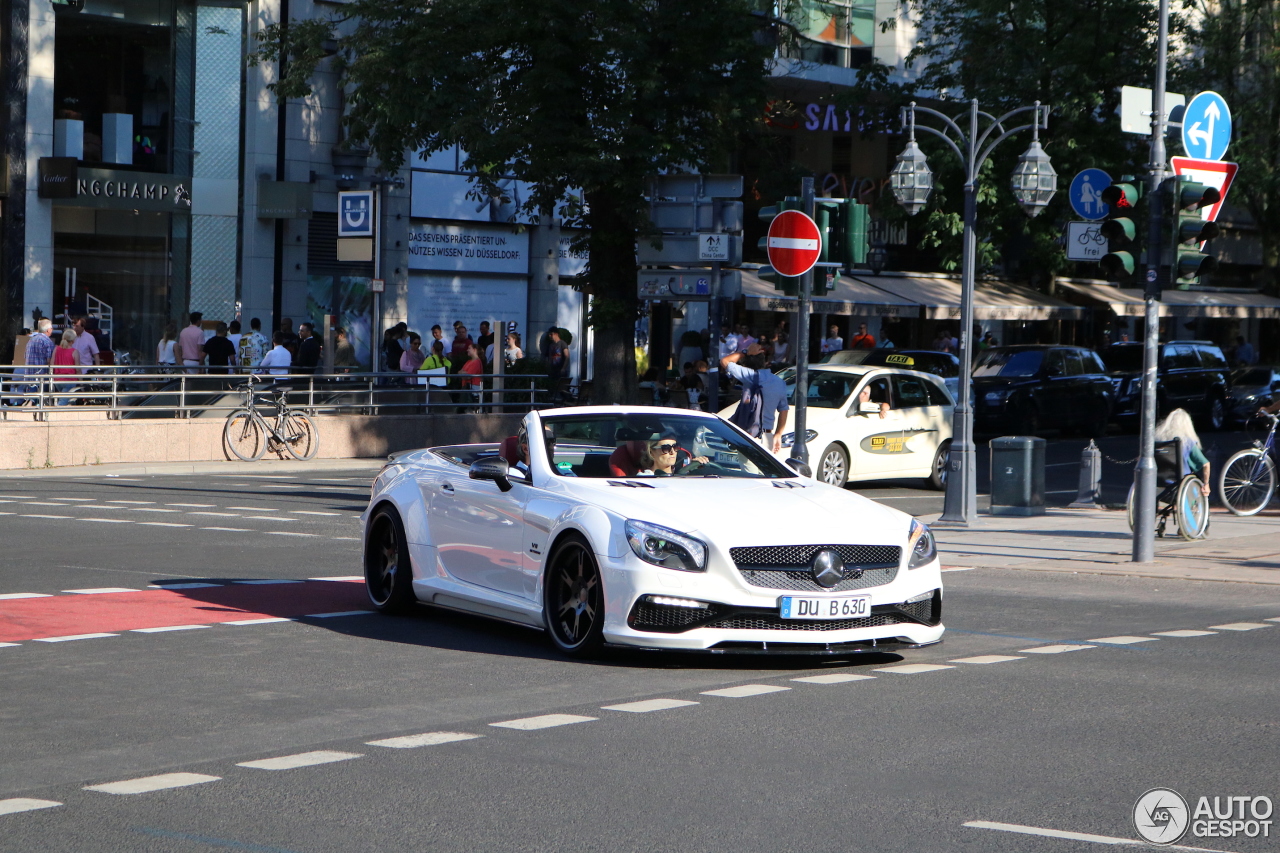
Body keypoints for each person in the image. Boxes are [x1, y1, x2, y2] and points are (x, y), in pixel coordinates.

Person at [720, 342, 789, 454]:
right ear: (765, 362)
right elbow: (784, 410)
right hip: (767, 436)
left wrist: (745, 352)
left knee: (748, 470)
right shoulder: (780, 382)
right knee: (765, 471)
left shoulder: (749, 375)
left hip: (749, 434)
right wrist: (778, 434)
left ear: (746, 365)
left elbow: (724, 361)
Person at [1156, 408, 1211, 497]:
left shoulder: (1158, 442)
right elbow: (1205, 464)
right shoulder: (1187, 442)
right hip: (1180, 484)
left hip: (1157, 482)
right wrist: (1206, 484)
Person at [52, 328, 80, 405]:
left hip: (57, 380)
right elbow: (78, 370)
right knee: (63, 402)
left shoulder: (56, 349)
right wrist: (81, 381)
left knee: (66, 399)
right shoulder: (75, 352)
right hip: (69, 380)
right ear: (73, 340)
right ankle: (54, 415)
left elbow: (52, 364)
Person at [459, 342, 485, 410]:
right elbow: (459, 372)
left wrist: (463, 373)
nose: (467, 350)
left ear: (474, 350)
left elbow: (468, 376)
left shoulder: (477, 362)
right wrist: (464, 373)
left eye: (469, 348)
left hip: (472, 388)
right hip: (466, 387)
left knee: (470, 408)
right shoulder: (468, 361)